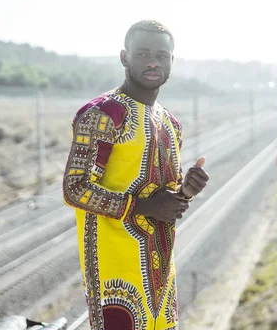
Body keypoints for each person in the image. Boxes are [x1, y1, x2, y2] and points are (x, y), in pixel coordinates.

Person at [62, 20, 209, 330]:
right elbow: (75, 188)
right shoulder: (102, 115)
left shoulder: (171, 123)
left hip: (161, 274)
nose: (153, 62)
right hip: (114, 273)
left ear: (172, 61)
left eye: (161, 55)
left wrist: (185, 192)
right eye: (142, 54)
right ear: (123, 58)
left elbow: (165, 199)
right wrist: (143, 207)